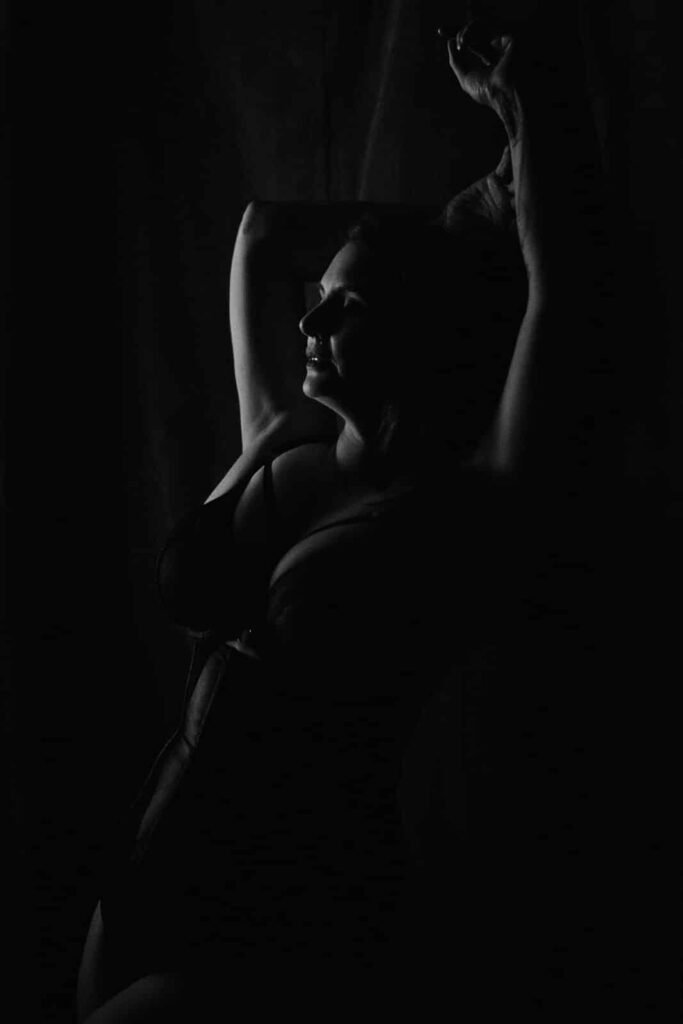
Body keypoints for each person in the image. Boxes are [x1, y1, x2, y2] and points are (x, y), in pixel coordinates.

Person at [76, 18, 617, 1021]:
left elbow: (561, 292)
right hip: (148, 864)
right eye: (318, 299)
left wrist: (524, 130)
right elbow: (261, 232)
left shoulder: (457, 507)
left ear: (411, 336)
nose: (308, 323)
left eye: (347, 309)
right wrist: (448, 219)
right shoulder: (282, 443)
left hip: (282, 905)